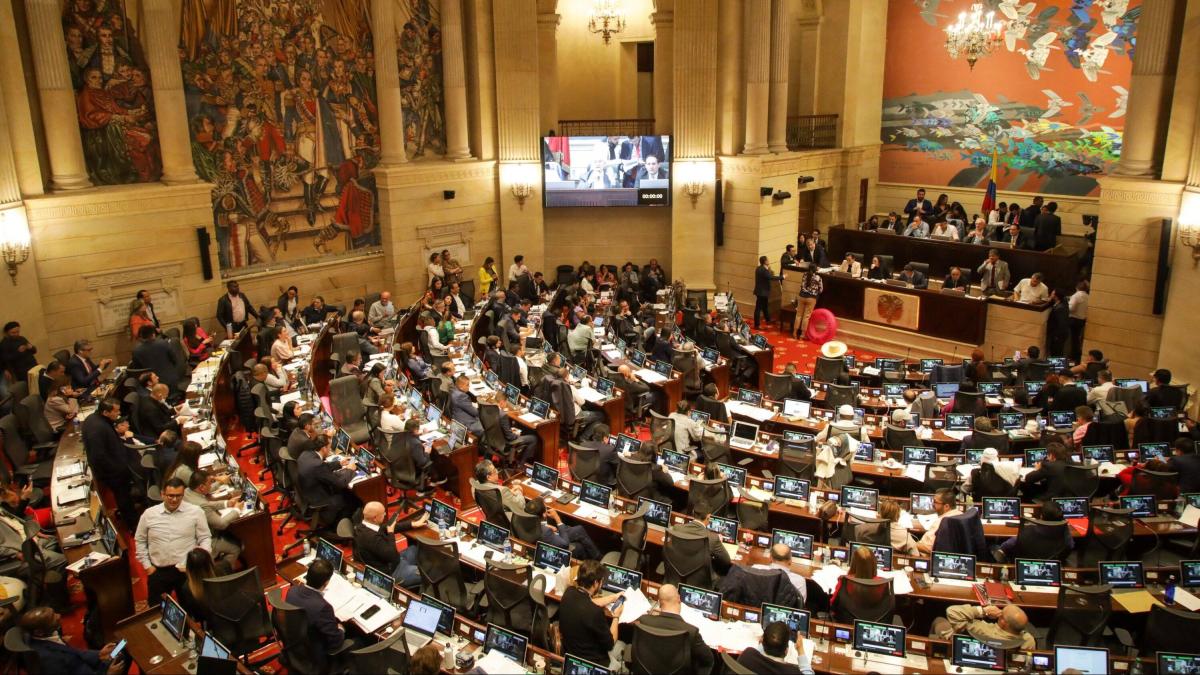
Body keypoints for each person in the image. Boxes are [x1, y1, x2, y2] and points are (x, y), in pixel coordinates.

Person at [135, 477, 212, 607]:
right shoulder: (149, 514)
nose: (174, 499)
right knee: (157, 610)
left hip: (187, 570)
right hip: (158, 571)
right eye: (170, 496)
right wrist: (148, 566)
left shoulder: (195, 512)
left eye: (178, 496)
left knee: (193, 609)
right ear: (162, 494)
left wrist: (198, 561)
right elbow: (140, 540)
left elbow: (205, 538)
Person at [82, 399, 141, 529]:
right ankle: (133, 525)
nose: (119, 413)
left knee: (124, 495)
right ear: (105, 412)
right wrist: (118, 469)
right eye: (116, 411)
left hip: (115, 466)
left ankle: (131, 515)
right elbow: (99, 456)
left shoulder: (94, 419)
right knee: (122, 496)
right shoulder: (98, 428)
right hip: (113, 472)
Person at [19, 606, 127, 674]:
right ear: (39, 632)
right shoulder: (49, 660)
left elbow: (74, 653)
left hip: (85, 664)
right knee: (126, 653)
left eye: (54, 613)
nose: (59, 616)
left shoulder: (45, 634)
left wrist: (99, 654)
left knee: (122, 644)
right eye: (53, 618)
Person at [632, 584, 714, 674]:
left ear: (659, 602)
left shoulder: (643, 620)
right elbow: (708, 660)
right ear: (679, 599)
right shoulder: (691, 631)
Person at [560, 559, 625, 669]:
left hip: (570, 654)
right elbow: (610, 644)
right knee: (622, 645)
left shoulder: (568, 593)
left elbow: (587, 602)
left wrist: (613, 597)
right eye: (601, 581)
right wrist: (616, 617)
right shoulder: (595, 613)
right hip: (592, 663)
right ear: (595, 583)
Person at [287, 558, 352, 659]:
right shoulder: (323, 607)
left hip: (294, 645)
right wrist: (341, 629)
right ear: (326, 583)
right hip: (314, 655)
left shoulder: (292, 590)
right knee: (359, 640)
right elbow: (335, 642)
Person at [354, 501, 429, 588]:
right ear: (375, 518)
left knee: (415, 549)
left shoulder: (363, 526)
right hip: (390, 573)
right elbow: (392, 555)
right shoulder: (371, 538)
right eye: (383, 513)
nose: (385, 514)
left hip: (393, 562)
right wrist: (391, 533)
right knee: (427, 574)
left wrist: (413, 524)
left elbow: (386, 528)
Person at [183, 470, 243, 570]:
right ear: (201, 487)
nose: (211, 486)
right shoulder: (201, 504)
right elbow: (221, 524)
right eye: (209, 483)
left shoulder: (187, 492)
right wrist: (237, 510)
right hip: (203, 541)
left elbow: (207, 503)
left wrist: (226, 503)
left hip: (190, 536)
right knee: (235, 548)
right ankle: (221, 573)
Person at [296, 431, 357, 527]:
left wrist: (339, 463)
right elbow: (340, 484)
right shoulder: (318, 465)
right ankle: (339, 526)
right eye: (329, 447)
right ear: (324, 448)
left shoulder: (306, 454)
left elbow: (323, 467)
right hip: (320, 500)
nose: (330, 449)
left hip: (307, 494)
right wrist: (350, 470)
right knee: (351, 497)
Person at [933, 603, 1036, 650]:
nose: (999, 612)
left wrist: (983, 611)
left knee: (938, 620)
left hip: (959, 649)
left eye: (1001, 613)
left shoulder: (978, 629)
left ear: (1003, 622)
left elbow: (952, 611)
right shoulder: (1028, 641)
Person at [524, 497, 601, 559]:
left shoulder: (525, 519)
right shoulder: (546, 531)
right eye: (545, 507)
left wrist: (546, 526)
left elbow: (541, 527)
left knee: (579, 529)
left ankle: (596, 555)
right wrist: (557, 518)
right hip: (552, 549)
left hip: (541, 539)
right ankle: (595, 559)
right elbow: (565, 544)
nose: (547, 507)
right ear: (544, 515)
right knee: (579, 546)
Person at [666, 506, 731, 575]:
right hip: (699, 576)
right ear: (708, 517)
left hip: (677, 571)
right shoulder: (713, 538)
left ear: (693, 513)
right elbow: (726, 561)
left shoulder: (677, 528)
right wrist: (718, 544)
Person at [738, 620, 815, 674]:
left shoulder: (747, 656)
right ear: (786, 651)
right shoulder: (792, 672)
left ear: (762, 641)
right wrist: (800, 650)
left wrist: (764, 640)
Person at [131, 325, 181, 395]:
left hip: (152, 386)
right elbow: (175, 360)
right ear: (153, 334)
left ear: (141, 336)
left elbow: (138, 371)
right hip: (171, 381)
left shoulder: (136, 351)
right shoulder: (164, 343)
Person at [917, 488, 961, 555]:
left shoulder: (942, 522)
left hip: (923, 556)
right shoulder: (960, 514)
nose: (932, 504)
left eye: (935, 502)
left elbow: (929, 548)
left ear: (946, 506)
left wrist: (912, 544)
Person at [753, 256, 785, 330]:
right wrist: (782, 277)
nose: (769, 261)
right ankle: (757, 325)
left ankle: (768, 320)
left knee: (765, 306)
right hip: (762, 292)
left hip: (760, 291)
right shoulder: (764, 270)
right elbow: (771, 277)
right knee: (758, 308)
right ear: (765, 261)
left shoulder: (758, 268)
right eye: (767, 260)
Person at [792, 267, 822, 339]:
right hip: (811, 298)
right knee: (806, 317)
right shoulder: (818, 277)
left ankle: (794, 333)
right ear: (816, 270)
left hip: (801, 296)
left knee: (798, 315)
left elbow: (802, 285)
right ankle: (802, 335)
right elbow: (821, 289)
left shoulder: (804, 274)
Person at [1068, 280, 1089, 363]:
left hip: (1074, 320)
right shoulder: (1088, 296)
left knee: (1072, 340)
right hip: (1082, 320)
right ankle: (1076, 356)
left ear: (1077, 287)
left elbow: (1071, 308)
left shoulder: (1076, 296)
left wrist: (1067, 303)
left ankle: (1072, 357)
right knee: (1077, 339)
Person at [1045, 289, 1071, 358]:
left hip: (1058, 335)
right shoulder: (1062, 303)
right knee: (1056, 352)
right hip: (1058, 334)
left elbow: (1061, 324)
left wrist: (1056, 336)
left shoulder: (1060, 308)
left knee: (1056, 353)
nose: (1050, 295)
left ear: (1056, 296)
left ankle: (1056, 365)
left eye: (1052, 294)